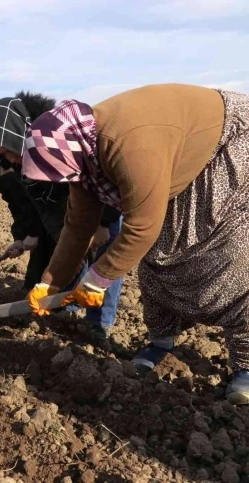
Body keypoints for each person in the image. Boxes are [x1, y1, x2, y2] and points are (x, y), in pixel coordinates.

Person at [21, 83, 249, 404]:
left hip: (227, 141)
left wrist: (95, 281)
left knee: (223, 257)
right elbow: (77, 227)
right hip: (173, 153)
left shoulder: (128, 146)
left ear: (66, 152)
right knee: (159, 257)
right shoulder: (82, 153)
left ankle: (246, 364)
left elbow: (142, 227)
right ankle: (161, 340)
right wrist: (49, 284)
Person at [0, 91, 124, 339]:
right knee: (76, 265)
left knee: (103, 266)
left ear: (18, 134)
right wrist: (28, 236)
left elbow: (96, 178)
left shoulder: (56, 144)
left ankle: (99, 327)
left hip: (98, 208)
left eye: (9, 151)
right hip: (70, 219)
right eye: (3, 156)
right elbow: (31, 206)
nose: (10, 159)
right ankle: (70, 308)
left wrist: (104, 222)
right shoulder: (22, 166)